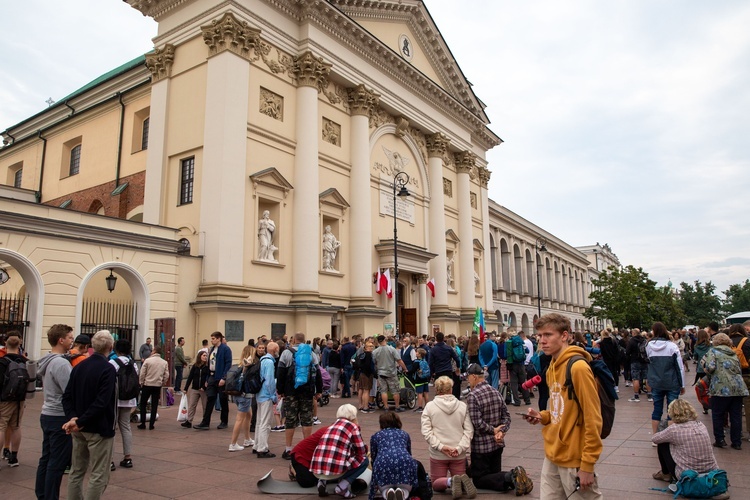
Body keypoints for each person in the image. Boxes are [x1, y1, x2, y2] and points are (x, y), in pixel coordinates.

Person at [523, 313, 603, 499]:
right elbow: (559, 410)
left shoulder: (578, 368)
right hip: (552, 454)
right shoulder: (552, 365)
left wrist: (587, 464)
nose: (542, 341)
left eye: (548, 335)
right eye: (539, 336)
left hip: (574, 457)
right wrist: (542, 416)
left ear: (565, 336)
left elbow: (593, 418)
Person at [62, 330, 117, 500]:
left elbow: (67, 396)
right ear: (110, 346)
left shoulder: (79, 366)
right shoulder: (108, 369)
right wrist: (80, 420)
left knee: (77, 471)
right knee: (99, 473)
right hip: (98, 427)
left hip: (78, 425)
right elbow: (102, 401)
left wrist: (73, 418)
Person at [465, 363, 532, 495]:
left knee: (479, 480)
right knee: (494, 476)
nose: (468, 380)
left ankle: (511, 475)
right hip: (497, 444)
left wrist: (493, 430)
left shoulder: (473, 396)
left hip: (482, 447)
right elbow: (506, 416)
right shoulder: (495, 390)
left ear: (473, 377)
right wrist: (501, 431)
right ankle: (515, 479)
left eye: (468, 377)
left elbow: (477, 422)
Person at [35, 324, 74, 500]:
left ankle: (42, 493)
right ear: (61, 340)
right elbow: (69, 391)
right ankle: (50, 496)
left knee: (46, 458)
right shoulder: (61, 363)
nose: (72, 340)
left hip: (47, 413)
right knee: (57, 462)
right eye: (70, 337)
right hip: (59, 416)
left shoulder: (48, 359)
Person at [420, 376, 475, 498]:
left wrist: (441, 447)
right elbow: (469, 430)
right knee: (460, 479)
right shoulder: (462, 406)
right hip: (458, 453)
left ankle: (449, 482)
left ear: (437, 390)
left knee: (436, 483)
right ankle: (459, 481)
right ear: (451, 389)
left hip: (438, 453)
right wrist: (460, 448)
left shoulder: (429, 407)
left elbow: (426, 432)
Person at [276, 332, 322, 459]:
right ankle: (307, 448)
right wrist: (319, 390)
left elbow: (280, 373)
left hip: (290, 391)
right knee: (307, 419)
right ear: (304, 340)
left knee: (290, 420)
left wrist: (280, 390)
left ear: (294, 340)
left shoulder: (286, 353)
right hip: (307, 391)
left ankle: (288, 449)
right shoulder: (311, 353)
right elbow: (318, 372)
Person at [651, 399, 720, 483]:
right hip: (710, 471)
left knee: (662, 443)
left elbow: (655, 439)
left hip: (687, 474)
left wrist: (667, 428)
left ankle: (665, 474)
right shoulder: (701, 425)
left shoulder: (674, 429)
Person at [310, 404, 369, 499]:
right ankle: (342, 487)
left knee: (330, 455)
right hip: (335, 470)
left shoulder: (331, 426)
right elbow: (361, 451)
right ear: (353, 415)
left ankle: (322, 482)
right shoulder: (352, 427)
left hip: (317, 469)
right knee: (364, 460)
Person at [701, 333, 749, 449]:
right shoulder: (734, 352)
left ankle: (720, 439)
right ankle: (736, 442)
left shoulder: (713, 351)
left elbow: (710, 368)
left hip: (720, 387)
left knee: (718, 414)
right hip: (737, 387)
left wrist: (706, 369)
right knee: (736, 416)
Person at [369, 411, 417, 500]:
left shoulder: (376, 436)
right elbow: (409, 452)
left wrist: (375, 469)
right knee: (406, 486)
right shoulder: (404, 434)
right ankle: (402, 492)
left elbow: (373, 455)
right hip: (404, 459)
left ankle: (387, 492)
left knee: (384, 485)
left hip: (383, 461)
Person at [194, 331, 232, 430]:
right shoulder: (212, 350)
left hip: (220, 377)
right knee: (210, 398)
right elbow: (209, 364)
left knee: (223, 399)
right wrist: (207, 379)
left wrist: (224, 378)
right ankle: (205, 422)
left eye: (213, 338)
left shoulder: (225, 349)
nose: (212, 340)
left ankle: (224, 421)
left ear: (219, 339)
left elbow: (228, 364)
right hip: (211, 376)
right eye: (211, 339)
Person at [0, 335, 28, 468]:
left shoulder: (2, 362)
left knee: (1, 426)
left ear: (6, 346)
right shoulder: (25, 361)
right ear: (19, 346)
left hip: (4, 399)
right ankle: (14, 457)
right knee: (16, 426)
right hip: (20, 399)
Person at [109, 339, 137, 469]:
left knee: (111, 428)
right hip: (129, 399)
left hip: (115, 399)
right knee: (126, 427)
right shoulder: (133, 364)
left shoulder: (112, 363)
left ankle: (110, 460)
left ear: (116, 349)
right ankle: (128, 457)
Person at [228, 345, 256, 451]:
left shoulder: (239, 365)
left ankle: (247, 438)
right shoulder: (248, 364)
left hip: (237, 394)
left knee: (249, 414)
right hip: (245, 395)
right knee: (240, 419)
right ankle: (233, 443)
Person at [255, 341, 279, 458]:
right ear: (274, 350)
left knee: (259, 421)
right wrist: (273, 396)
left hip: (259, 394)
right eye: (277, 350)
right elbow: (269, 381)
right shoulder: (269, 362)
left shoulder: (262, 360)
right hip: (266, 395)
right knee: (266, 423)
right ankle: (262, 448)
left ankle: (257, 445)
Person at [372, 335, 408, 412]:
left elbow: (374, 362)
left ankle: (386, 407)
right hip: (391, 372)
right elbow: (399, 360)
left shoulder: (375, 351)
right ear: (385, 340)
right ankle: (397, 406)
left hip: (381, 373)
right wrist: (405, 368)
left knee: (383, 391)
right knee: (395, 390)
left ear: (378, 341)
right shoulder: (391, 349)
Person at [138, 345, 169, 430]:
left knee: (143, 404)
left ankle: (143, 423)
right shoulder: (164, 362)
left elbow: (142, 373)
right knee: (154, 404)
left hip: (147, 384)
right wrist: (163, 382)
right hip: (157, 385)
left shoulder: (148, 361)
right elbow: (166, 375)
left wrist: (141, 382)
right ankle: (151, 424)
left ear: (154, 351)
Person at [727, 323, 750, 437]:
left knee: (734, 407)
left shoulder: (727, 343)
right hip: (747, 374)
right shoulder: (747, 341)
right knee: (748, 404)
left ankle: (737, 432)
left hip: (732, 376)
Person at [182, 350, 209, 428]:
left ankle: (205, 421)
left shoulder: (207, 367)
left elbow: (208, 378)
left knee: (205, 406)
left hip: (204, 390)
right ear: (199, 356)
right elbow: (190, 377)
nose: (205, 357)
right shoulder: (195, 366)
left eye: (206, 356)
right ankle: (189, 421)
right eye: (203, 355)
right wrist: (186, 388)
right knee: (192, 405)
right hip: (195, 388)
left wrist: (204, 387)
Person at [626, 328, 650, 402]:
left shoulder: (631, 341)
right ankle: (650, 394)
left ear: (633, 333)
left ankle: (636, 396)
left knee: (635, 378)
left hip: (635, 361)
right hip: (644, 361)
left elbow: (627, 351)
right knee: (646, 378)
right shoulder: (644, 340)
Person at [356, 340, 375, 413]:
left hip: (362, 373)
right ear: (366, 347)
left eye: (372, 346)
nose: (371, 348)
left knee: (362, 389)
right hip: (367, 374)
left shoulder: (362, 354)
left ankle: (362, 405)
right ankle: (365, 407)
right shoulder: (368, 355)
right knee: (366, 391)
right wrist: (372, 372)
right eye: (370, 346)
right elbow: (368, 365)